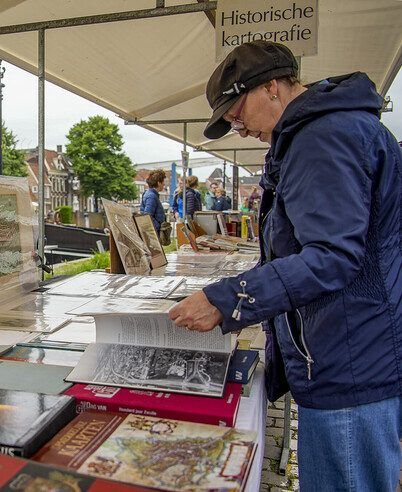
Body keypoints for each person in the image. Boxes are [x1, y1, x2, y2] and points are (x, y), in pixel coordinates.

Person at [169, 40, 402, 490]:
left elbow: (331, 256)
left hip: (349, 361)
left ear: (271, 88)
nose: (239, 129)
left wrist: (227, 300)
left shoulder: (323, 136)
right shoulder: (328, 130)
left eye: (237, 114)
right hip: (353, 349)